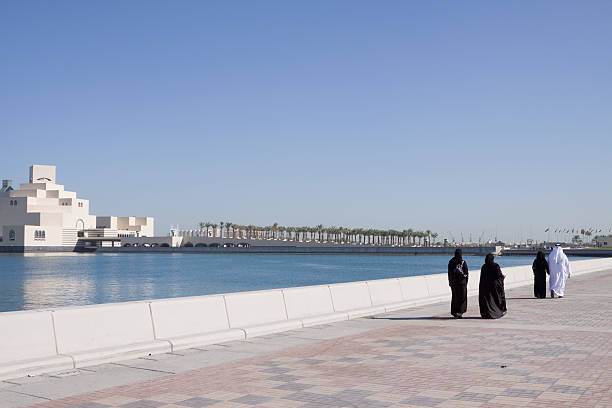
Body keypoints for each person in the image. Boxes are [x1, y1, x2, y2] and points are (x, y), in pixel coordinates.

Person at [479, 253, 507, 319]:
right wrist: (502, 277)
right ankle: (495, 313)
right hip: (494, 287)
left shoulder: (484, 266)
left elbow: (482, 278)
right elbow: (498, 276)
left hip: (485, 287)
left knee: (487, 301)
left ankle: (486, 314)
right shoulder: (495, 266)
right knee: (495, 300)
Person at [448, 248, 468, 318]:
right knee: (462, 298)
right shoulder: (463, 262)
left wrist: (450, 282)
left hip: (454, 283)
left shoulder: (451, 262)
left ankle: (454, 312)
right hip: (462, 283)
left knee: (455, 297)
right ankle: (460, 312)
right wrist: (466, 283)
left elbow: (449, 273)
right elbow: (466, 273)